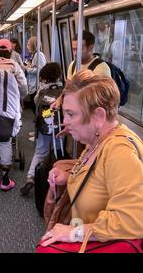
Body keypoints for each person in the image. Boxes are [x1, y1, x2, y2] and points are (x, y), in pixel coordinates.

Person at [40, 70, 143, 247]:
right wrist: (69, 177)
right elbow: (98, 177)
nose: (65, 121)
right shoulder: (96, 141)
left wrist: (75, 233)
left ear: (98, 116)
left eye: (71, 114)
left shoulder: (119, 152)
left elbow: (134, 219)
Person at [0, 38, 28, 191]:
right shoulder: (14, 66)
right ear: (10, 52)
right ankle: (5, 179)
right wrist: (21, 97)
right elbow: (23, 88)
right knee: (6, 141)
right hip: (9, 110)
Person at [20, 63, 63, 196]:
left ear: (44, 78)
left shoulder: (42, 91)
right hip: (59, 128)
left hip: (42, 127)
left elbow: (36, 102)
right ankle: (57, 180)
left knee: (39, 152)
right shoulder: (63, 91)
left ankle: (30, 177)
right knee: (58, 153)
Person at [25, 36, 47, 116]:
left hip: (37, 85)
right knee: (33, 106)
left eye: (28, 45)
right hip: (33, 84)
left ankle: (40, 124)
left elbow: (41, 69)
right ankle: (38, 123)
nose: (27, 47)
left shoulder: (39, 55)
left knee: (36, 107)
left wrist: (28, 69)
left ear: (33, 45)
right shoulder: (34, 55)